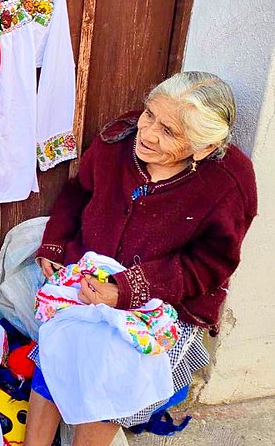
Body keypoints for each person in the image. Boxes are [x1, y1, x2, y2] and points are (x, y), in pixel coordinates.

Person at [25, 71, 258, 446]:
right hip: (90, 277)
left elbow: (210, 265)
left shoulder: (229, 182)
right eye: (149, 115)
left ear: (202, 147)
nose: (147, 133)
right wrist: (54, 244)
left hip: (164, 299)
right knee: (57, 350)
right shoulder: (119, 141)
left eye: (169, 131)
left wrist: (127, 289)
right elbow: (78, 192)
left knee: (112, 373)